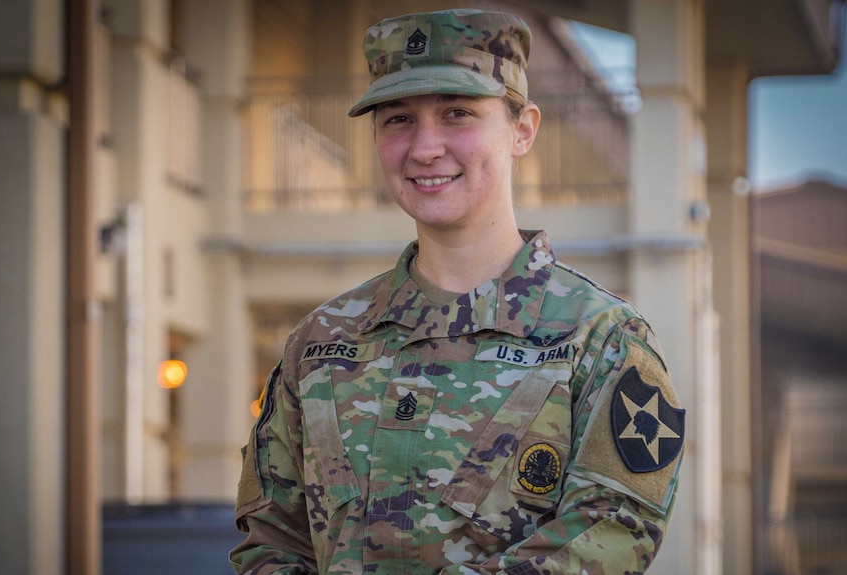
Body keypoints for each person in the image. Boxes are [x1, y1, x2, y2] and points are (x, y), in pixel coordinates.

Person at [230, 8, 685, 575]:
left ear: (523, 130)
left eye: (457, 114)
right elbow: (271, 541)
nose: (425, 148)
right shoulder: (320, 343)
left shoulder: (602, 342)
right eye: (397, 119)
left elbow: (612, 533)